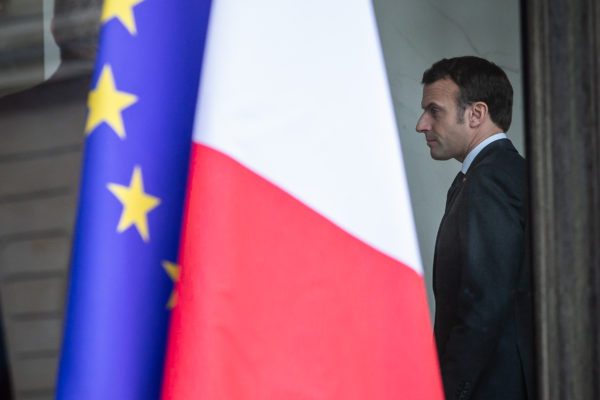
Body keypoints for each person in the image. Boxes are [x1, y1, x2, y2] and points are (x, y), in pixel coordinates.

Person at [415, 56, 533, 400]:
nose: (422, 123)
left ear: (476, 114)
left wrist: (449, 392)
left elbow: (483, 301)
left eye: (434, 110)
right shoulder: (490, 173)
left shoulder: (489, 180)